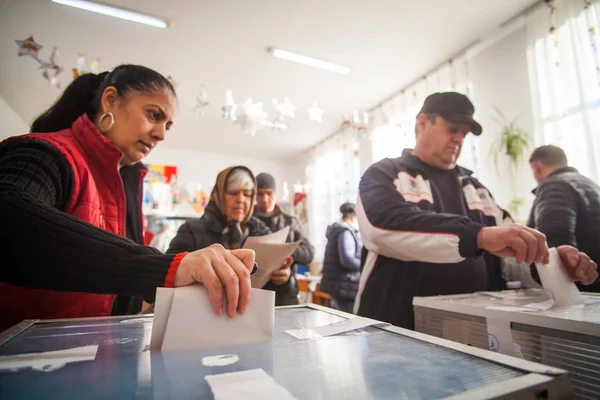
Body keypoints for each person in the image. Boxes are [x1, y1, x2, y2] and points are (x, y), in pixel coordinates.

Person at [0, 65, 254, 332]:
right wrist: (166, 269)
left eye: (167, 125)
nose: (161, 134)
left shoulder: (127, 182)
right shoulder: (46, 154)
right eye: (154, 115)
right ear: (110, 99)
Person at [355, 92, 599, 330]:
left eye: (464, 133)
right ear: (422, 123)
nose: (459, 139)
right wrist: (479, 236)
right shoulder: (385, 173)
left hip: (472, 335)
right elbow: (381, 226)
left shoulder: (476, 189)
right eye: (452, 129)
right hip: (394, 331)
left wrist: (552, 263)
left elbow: (513, 255)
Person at [528, 145, 600, 291]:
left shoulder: (554, 185)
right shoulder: (590, 184)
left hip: (584, 287)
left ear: (537, 167)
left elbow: (554, 242)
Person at [254, 172, 315, 305]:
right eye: (260, 193)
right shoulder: (246, 222)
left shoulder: (291, 222)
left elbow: (309, 254)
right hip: (253, 296)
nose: (265, 199)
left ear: (275, 194)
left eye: (269, 193)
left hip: (286, 296)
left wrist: (282, 249)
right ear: (254, 195)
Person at [320, 202, 363, 313]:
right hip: (343, 284)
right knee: (349, 320)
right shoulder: (345, 232)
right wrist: (364, 265)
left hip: (337, 283)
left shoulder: (337, 229)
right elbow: (347, 259)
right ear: (354, 216)